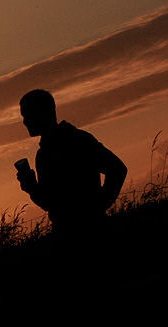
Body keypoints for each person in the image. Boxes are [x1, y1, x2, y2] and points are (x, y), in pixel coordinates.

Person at [16, 89, 128, 235]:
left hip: (93, 231)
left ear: (43, 112)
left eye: (28, 115)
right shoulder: (43, 154)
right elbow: (50, 203)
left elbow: (117, 169)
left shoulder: (78, 140)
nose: (24, 121)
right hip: (65, 234)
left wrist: (99, 206)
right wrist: (31, 186)